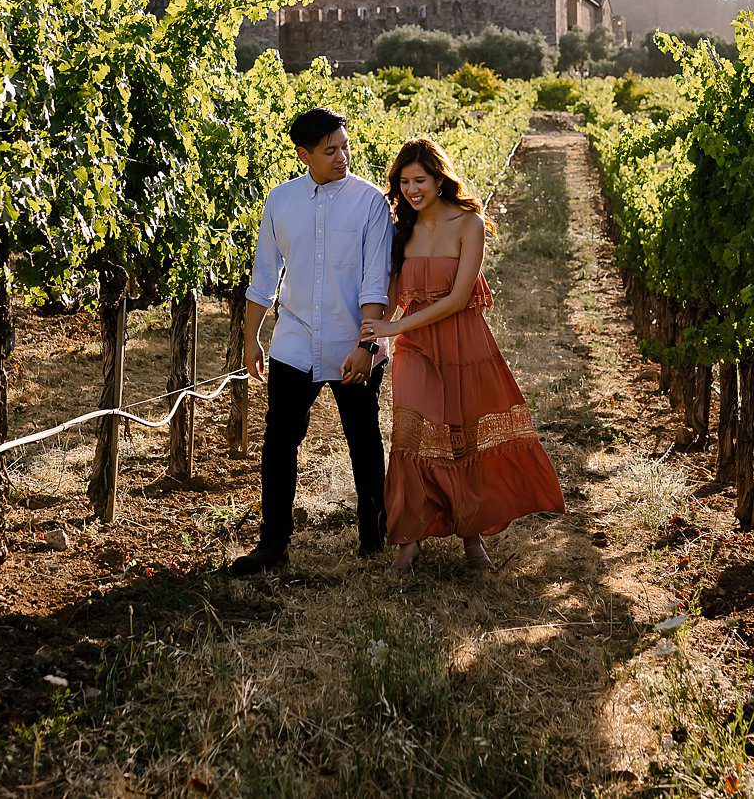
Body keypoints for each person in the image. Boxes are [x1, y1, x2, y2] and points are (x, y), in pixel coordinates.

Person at [360, 137, 565, 573]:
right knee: (412, 437)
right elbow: (394, 293)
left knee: (461, 436)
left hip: (463, 343)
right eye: (404, 182)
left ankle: (473, 541)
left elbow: (457, 299)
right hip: (416, 348)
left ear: (439, 179)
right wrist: (370, 339)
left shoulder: (469, 224)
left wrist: (394, 327)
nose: (412, 190)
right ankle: (408, 543)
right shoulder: (402, 228)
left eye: (420, 180)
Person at [230, 107, 396, 576]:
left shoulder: (370, 203)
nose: (343, 156)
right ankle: (273, 544)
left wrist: (365, 347)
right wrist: (252, 340)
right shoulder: (280, 201)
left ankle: (373, 538)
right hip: (295, 343)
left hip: (353, 344)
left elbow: (374, 283)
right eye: (330, 151)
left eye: (345, 146)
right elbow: (264, 277)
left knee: (363, 439)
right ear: (304, 154)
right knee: (280, 441)